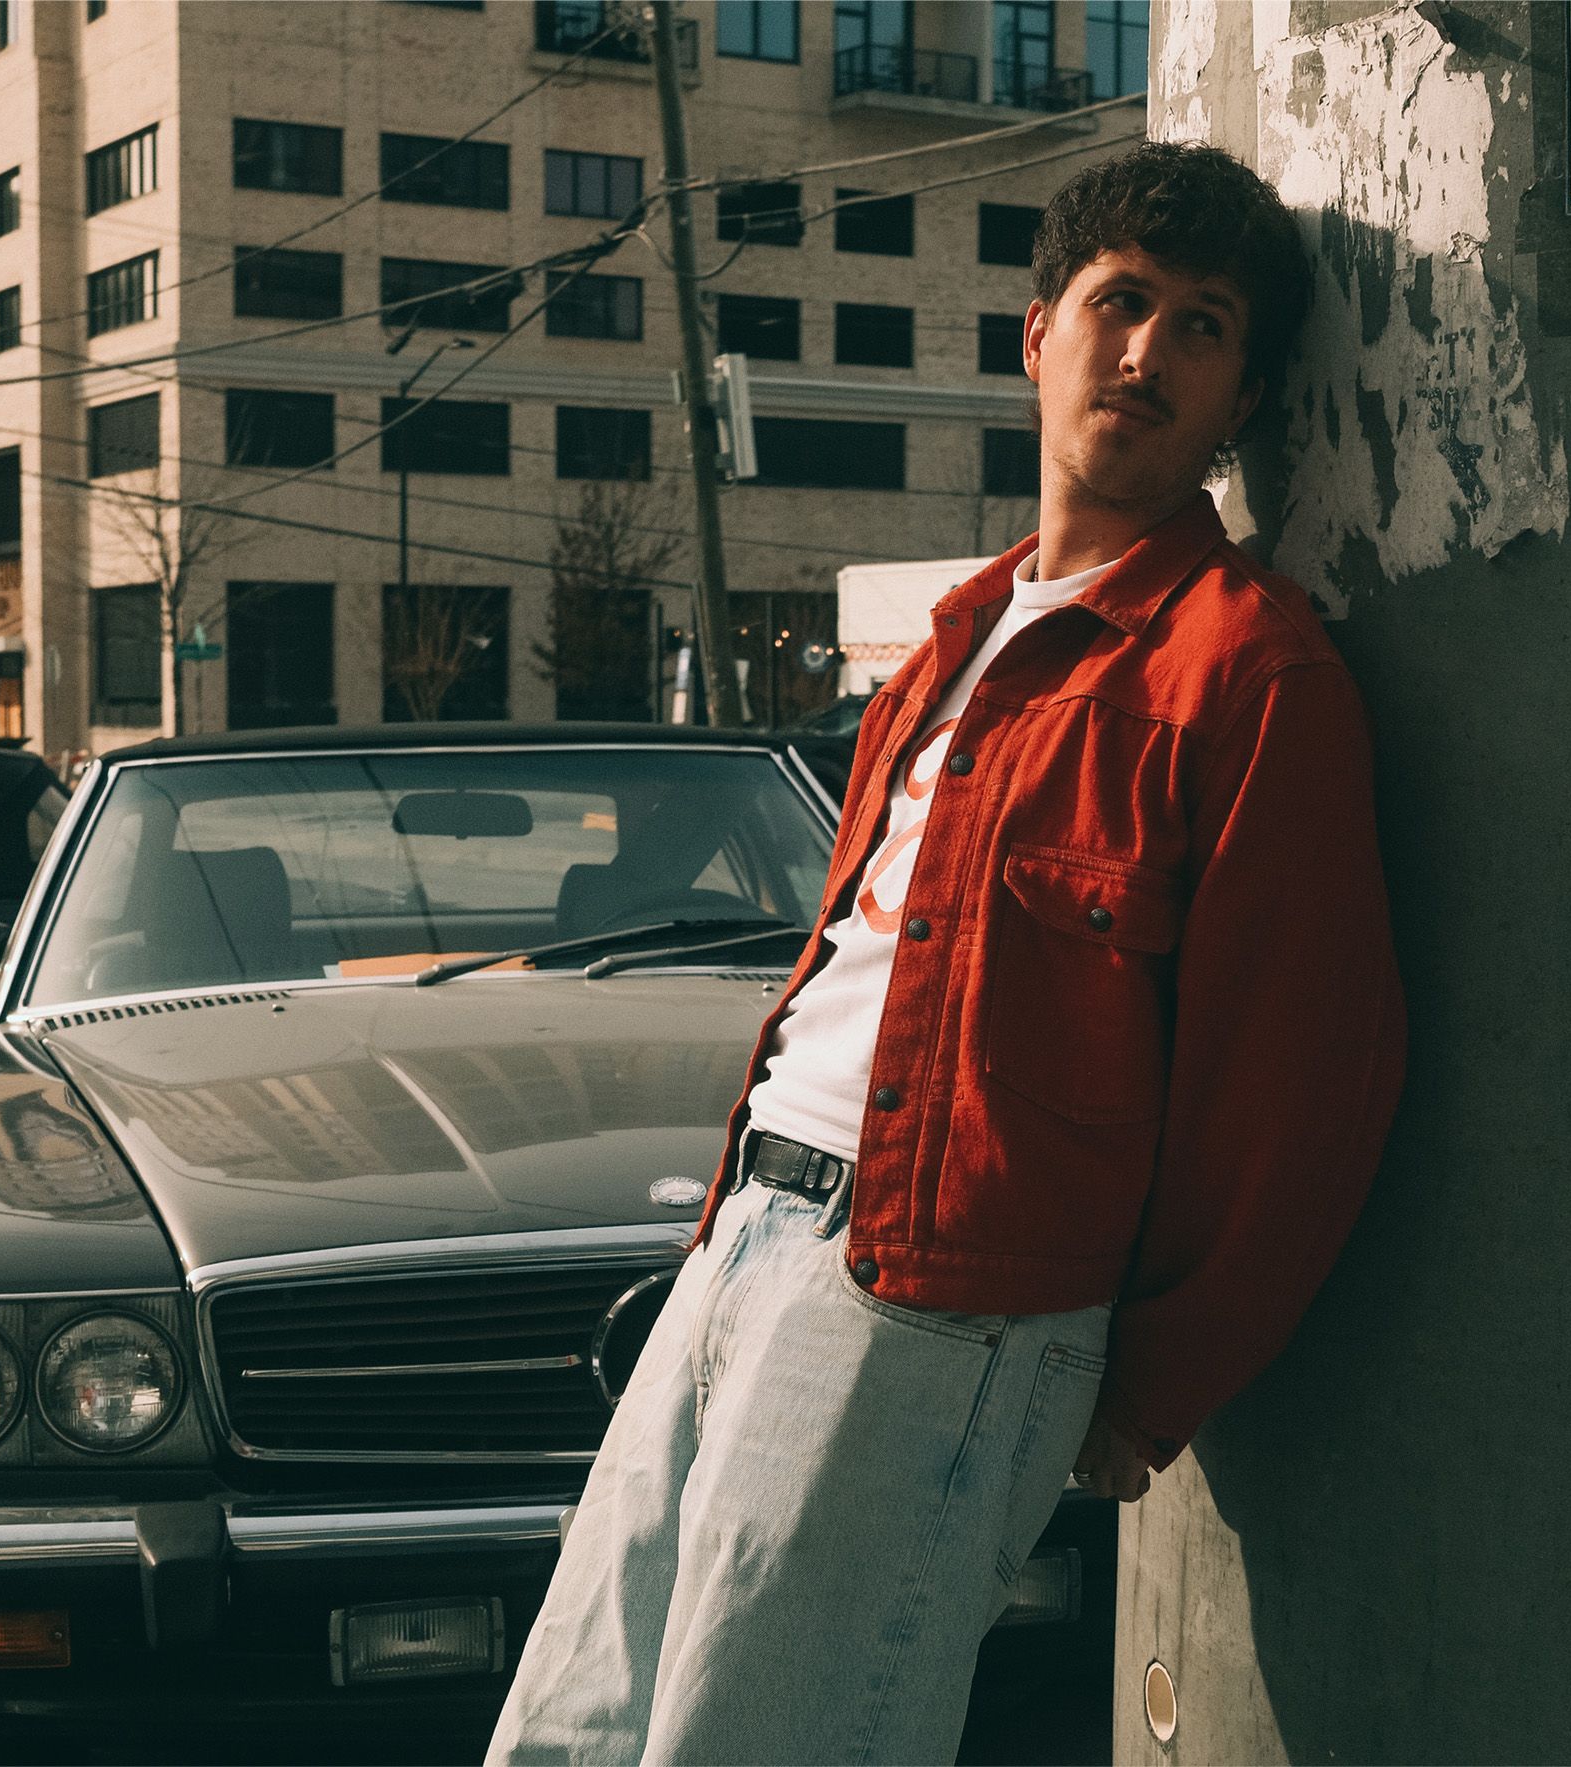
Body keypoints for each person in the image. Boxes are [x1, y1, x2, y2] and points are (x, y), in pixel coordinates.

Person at [488, 140, 1406, 1767]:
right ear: (1036, 333)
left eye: (1202, 328)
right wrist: (729, 1240)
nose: (1148, 352)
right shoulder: (949, 644)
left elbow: (1301, 1087)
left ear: (1242, 400)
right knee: (568, 1734)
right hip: (747, 1233)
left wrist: (1141, 1397)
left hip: (935, 1312)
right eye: (1120, 304)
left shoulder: (1250, 677)